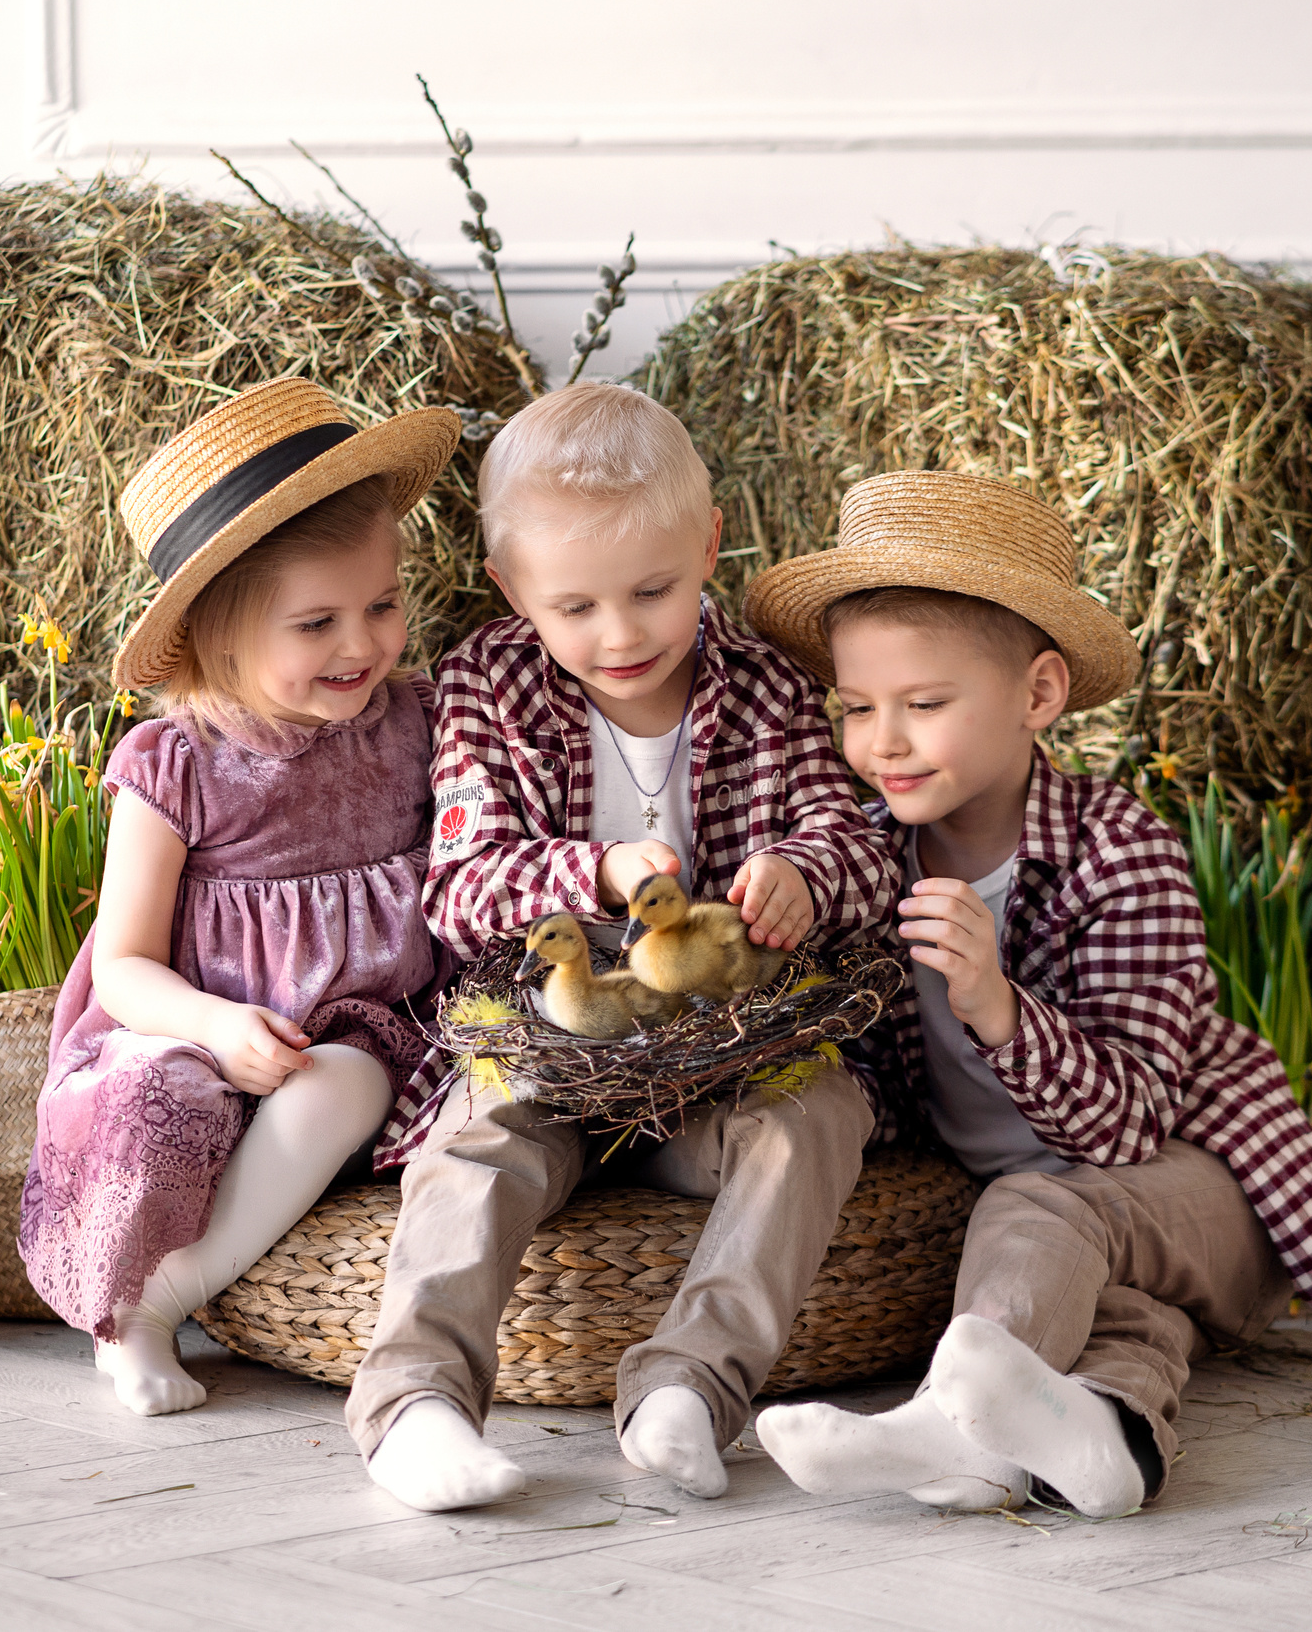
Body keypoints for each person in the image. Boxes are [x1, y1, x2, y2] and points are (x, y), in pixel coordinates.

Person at [740, 470, 1312, 1516]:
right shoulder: (875, 847)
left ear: (1037, 695)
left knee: (1041, 1201)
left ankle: (944, 1426)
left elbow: (1125, 1127)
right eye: (856, 707)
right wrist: (786, 889)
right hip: (1063, 1240)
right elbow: (834, 880)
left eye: (925, 704)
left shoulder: (1121, 852)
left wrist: (995, 1003)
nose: (882, 741)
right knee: (1114, 1320)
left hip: (1200, 1186)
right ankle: (1108, 1446)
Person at [345, 383, 898, 1512]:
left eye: (653, 590)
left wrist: (805, 876)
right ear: (512, 591)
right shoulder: (486, 685)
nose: (621, 633)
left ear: (709, 544)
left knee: (821, 1115)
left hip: (722, 1061)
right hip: (549, 1061)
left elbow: (865, 845)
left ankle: (690, 1386)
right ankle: (417, 1402)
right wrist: (591, 871)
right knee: (476, 1138)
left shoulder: (767, 689)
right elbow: (458, 889)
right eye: (577, 606)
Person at [18, 378, 455, 1417]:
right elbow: (123, 967)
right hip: (190, 1024)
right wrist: (215, 1027)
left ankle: (174, 1292)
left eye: (383, 605)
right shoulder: (174, 764)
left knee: (345, 1083)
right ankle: (129, 1314)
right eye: (317, 623)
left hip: (354, 1032)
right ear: (217, 634)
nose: (362, 645)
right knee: (149, 1100)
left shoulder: (416, 727)